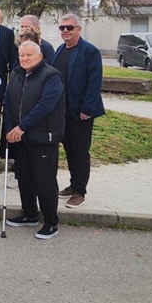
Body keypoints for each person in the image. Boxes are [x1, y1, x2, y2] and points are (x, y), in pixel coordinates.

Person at [4, 42, 65, 240]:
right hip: (22, 138)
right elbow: (8, 100)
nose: (25, 58)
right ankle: (30, 214)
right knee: (25, 179)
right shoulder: (16, 74)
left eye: (29, 54)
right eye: (21, 55)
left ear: (39, 56)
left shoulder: (51, 75)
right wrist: (10, 128)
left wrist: (21, 127)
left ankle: (50, 222)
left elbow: (44, 106)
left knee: (44, 181)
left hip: (43, 138)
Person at [50, 13, 105, 209]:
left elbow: (94, 81)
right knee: (69, 149)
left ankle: (80, 192)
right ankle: (73, 185)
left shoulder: (89, 51)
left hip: (81, 111)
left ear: (78, 29)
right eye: (62, 28)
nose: (65, 31)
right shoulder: (60, 50)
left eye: (69, 27)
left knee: (80, 151)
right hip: (63, 111)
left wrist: (88, 108)